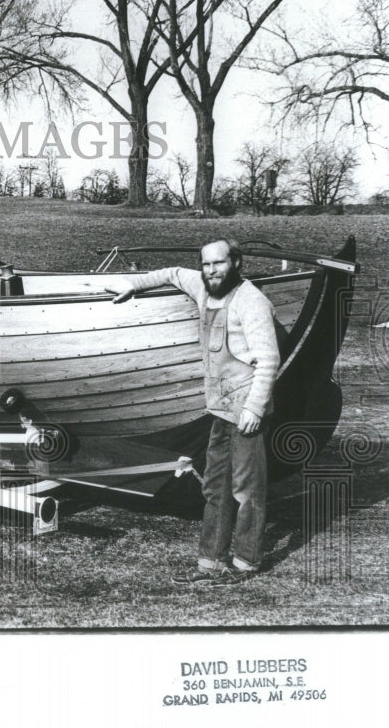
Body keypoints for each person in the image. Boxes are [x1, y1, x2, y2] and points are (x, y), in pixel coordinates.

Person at [106, 239, 280, 586]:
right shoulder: (202, 287)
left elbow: (269, 360)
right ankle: (211, 562)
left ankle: (247, 561)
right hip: (219, 409)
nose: (212, 271)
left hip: (245, 408)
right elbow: (171, 273)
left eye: (219, 263)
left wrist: (255, 408)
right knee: (215, 488)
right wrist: (132, 284)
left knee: (247, 490)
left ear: (237, 263)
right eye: (206, 264)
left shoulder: (252, 301)